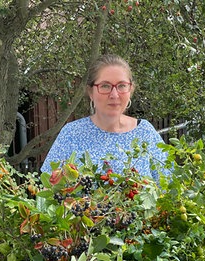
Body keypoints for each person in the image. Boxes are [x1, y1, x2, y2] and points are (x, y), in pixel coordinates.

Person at [40, 54, 168, 180]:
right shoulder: (71, 134)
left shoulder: (145, 133)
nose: (114, 94)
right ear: (91, 92)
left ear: (131, 90)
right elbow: (48, 189)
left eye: (122, 85)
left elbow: (170, 189)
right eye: (105, 86)